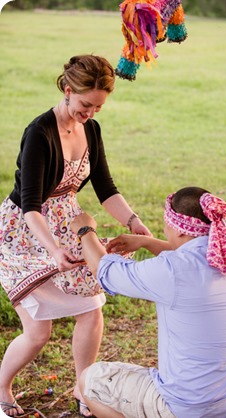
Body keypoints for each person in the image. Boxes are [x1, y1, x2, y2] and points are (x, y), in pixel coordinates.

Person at [0, 54, 151, 418]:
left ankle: (84, 389)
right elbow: (30, 205)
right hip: (25, 232)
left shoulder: (92, 130)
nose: (91, 113)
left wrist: (133, 221)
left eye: (98, 106)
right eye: (86, 104)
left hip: (70, 223)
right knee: (38, 333)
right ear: (68, 91)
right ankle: (1, 385)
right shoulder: (39, 133)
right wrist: (53, 250)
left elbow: (106, 188)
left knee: (91, 308)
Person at [70, 186, 226, 418]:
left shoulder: (173, 272)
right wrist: (147, 243)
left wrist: (85, 230)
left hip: (191, 409)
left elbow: (105, 270)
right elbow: (194, 261)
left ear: (179, 230)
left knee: (90, 380)